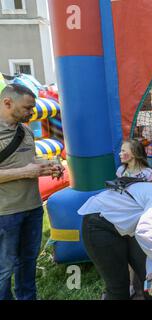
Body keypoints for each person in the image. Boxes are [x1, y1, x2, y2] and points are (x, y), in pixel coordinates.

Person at [0, 84, 64, 300]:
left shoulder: (25, 130)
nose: (31, 113)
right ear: (7, 103)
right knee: (4, 270)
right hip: (5, 213)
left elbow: (28, 161)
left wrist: (47, 165)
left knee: (28, 262)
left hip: (33, 208)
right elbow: (24, 169)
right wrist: (25, 172)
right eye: (27, 108)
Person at [116, 139, 152, 299]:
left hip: (141, 216)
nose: (120, 154)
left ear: (135, 154)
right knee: (126, 251)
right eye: (120, 150)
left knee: (141, 252)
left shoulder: (147, 173)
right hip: (125, 215)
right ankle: (131, 285)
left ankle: (148, 284)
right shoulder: (121, 171)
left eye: (124, 150)